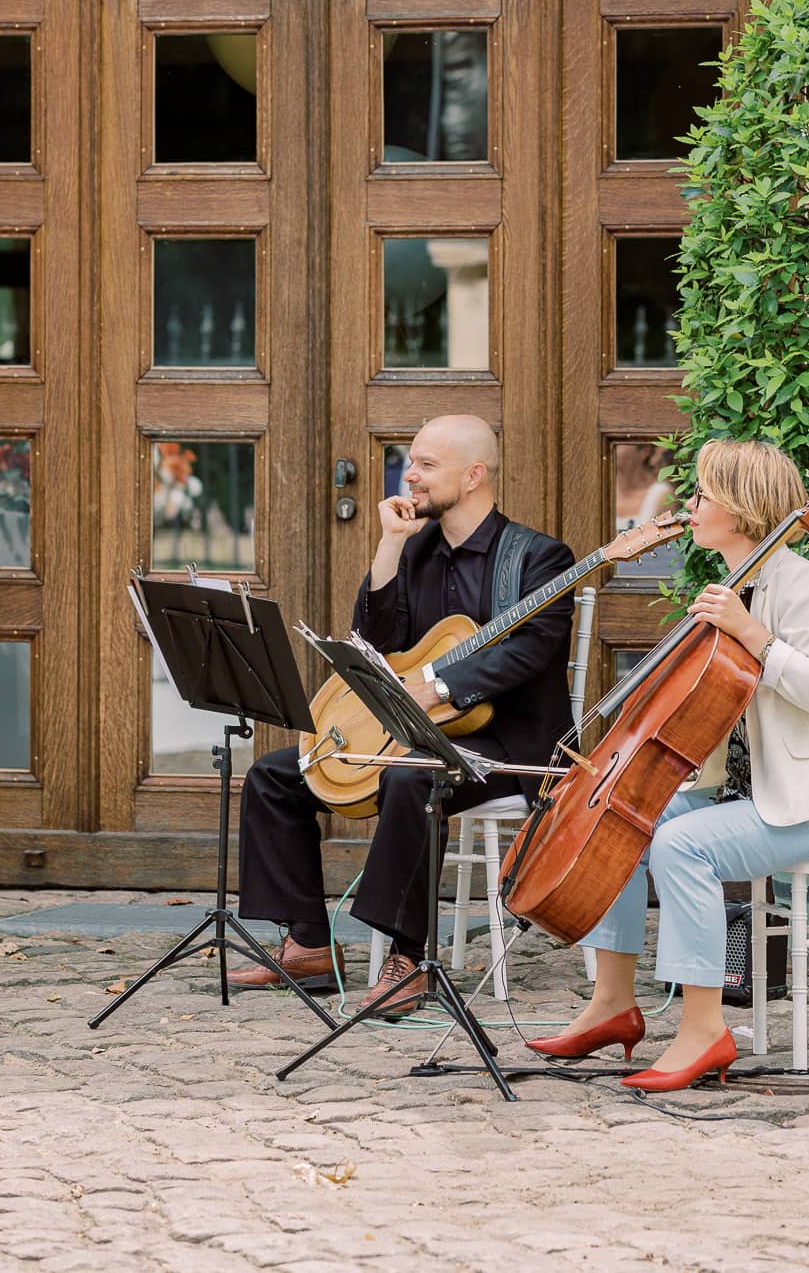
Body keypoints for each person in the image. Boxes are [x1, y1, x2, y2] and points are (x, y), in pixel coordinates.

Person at [525, 438, 809, 1093]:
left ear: (742, 512)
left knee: (682, 844)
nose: (690, 505)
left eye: (703, 495)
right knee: (623, 821)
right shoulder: (735, 585)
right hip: (746, 795)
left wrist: (752, 633)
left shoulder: (805, 590)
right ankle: (612, 1002)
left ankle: (703, 1027)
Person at [231, 413, 575, 1016]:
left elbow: (529, 652)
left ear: (474, 476)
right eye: (410, 462)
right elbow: (375, 640)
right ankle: (309, 941)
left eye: (426, 465)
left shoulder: (539, 558)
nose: (409, 476)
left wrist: (438, 686)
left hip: (506, 746)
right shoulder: (415, 551)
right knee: (277, 775)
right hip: (416, 735)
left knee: (411, 779)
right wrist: (389, 545)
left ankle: (407, 957)